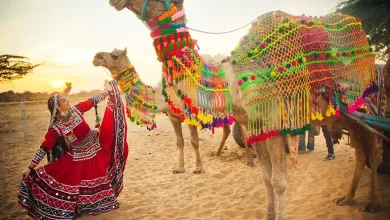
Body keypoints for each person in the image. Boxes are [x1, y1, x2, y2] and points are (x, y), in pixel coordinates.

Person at [18, 80, 128, 219]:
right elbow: (44, 147)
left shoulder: (76, 110)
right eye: (63, 100)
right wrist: (30, 167)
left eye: (65, 98)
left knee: (113, 143)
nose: (67, 100)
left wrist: (108, 92)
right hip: (80, 156)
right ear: (58, 107)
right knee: (80, 181)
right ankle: (85, 206)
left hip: (95, 144)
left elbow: (91, 100)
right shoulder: (57, 127)